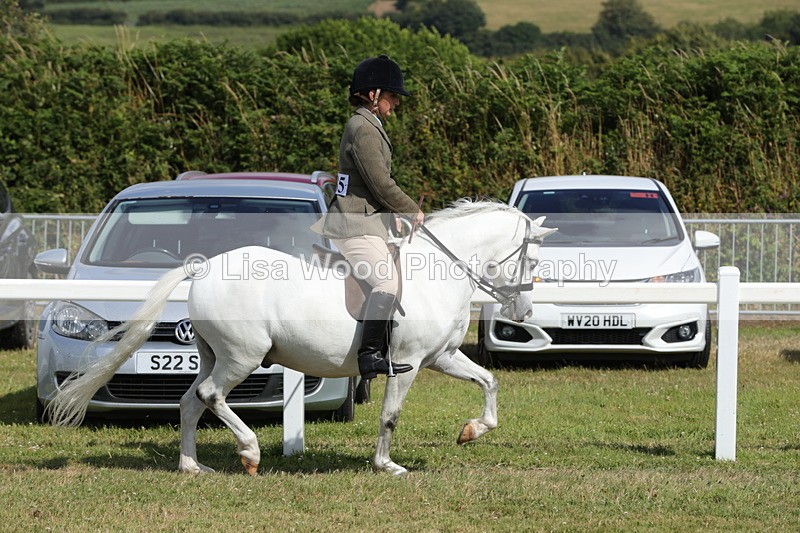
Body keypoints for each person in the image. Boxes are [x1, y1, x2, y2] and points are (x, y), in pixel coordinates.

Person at [311, 55, 424, 379]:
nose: (396, 103)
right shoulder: (363, 128)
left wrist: (394, 216)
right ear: (373, 94)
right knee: (387, 281)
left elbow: (371, 188)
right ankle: (370, 355)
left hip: (367, 218)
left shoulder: (367, 124)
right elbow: (380, 183)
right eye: (392, 96)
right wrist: (410, 209)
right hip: (353, 222)